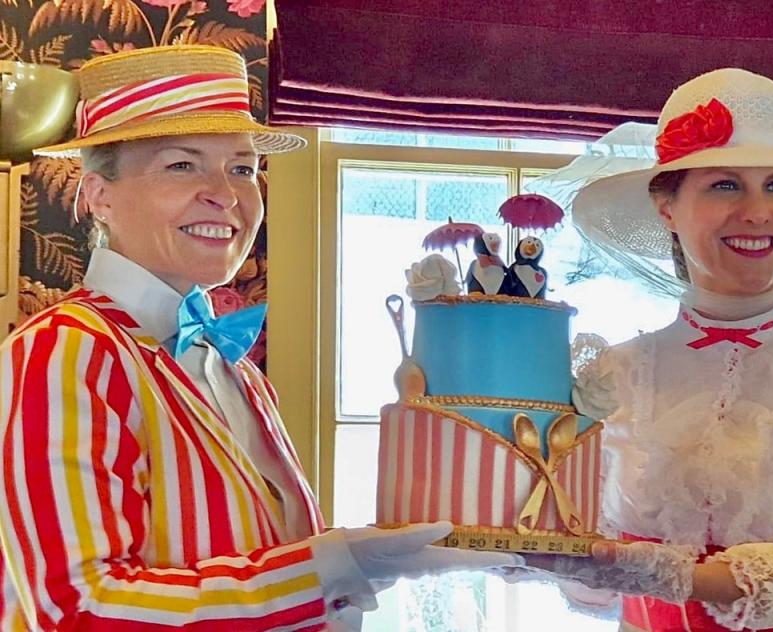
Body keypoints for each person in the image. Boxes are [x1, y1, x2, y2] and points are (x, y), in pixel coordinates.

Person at [0, 44, 520, 631]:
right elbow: (78, 609)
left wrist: (362, 559)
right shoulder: (64, 350)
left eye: (242, 168)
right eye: (181, 164)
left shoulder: (235, 369)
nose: (226, 194)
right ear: (99, 196)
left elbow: (261, 558)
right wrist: (333, 567)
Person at [524, 68, 773, 631]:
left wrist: (676, 579)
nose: (757, 212)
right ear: (667, 207)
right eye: (725, 184)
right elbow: (585, 567)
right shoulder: (610, 375)